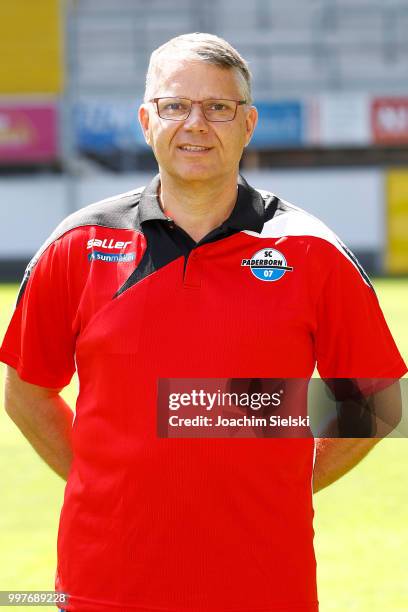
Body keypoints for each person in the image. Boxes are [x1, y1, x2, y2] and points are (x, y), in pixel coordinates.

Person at [1, 32, 406, 612]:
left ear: (248, 123)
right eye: (175, 106)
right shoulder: (78, 245)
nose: (196, 124)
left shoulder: (312, 252)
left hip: (264, 585)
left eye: (219, 108)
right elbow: (27, 392)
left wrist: (282, 479)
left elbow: (375, 400)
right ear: (146, 120)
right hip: (106, 584)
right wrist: (103, 484)